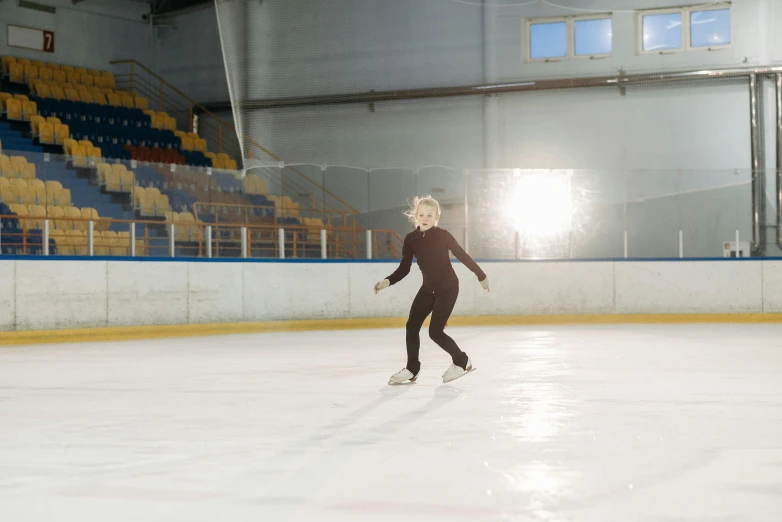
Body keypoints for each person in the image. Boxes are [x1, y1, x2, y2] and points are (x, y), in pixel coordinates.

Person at [374, 195, 490, 384]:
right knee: (412, 326)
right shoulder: (411, 239)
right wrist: (387, 281)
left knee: (435, 332)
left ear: (437, 217)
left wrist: (481, 275)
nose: (425, 218)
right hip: (428, 289)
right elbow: (404, 268)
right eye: (421, 214)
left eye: (430, 215)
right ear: (415, 216)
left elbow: (461, 254)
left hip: (448, 288)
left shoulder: (443, 235)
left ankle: (462, 360)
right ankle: (412, 369)